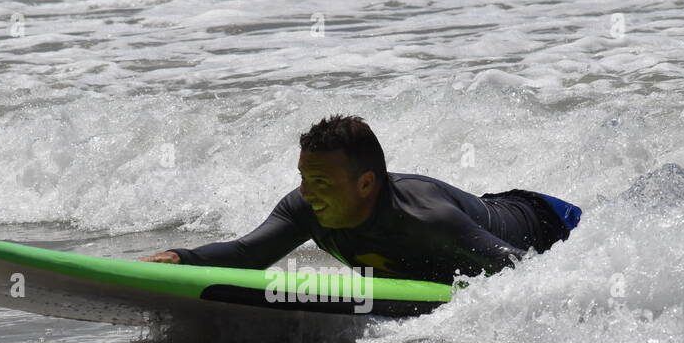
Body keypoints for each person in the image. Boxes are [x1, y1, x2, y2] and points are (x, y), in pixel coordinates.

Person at [139, 115, 580, 285]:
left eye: (322, 183)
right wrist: (182, 258)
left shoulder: (426, 217)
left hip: (551, 222)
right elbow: (247, 254)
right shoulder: (305, 207)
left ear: (366, 183)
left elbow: (526, 271)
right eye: (303, 178)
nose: (308, 194)